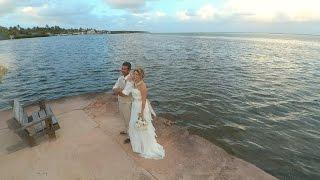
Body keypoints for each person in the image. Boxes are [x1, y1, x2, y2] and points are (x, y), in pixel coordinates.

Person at [128, 68, 165, 159]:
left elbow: (144, 101)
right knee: (134, 124)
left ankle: (145, 146)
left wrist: (141, 112)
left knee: (142, 126)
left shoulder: (143, 86)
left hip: (141, 107)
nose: (135, 76)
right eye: (134, 74)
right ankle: (138, 145)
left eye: (137, 74)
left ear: (141, 76)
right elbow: (128, 79)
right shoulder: (134, 83)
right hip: (134, 106)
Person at [113, 62, 134, 144]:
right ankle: (126, 130)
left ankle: (130, 136)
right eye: (122, 68)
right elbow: (114, 87)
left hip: (127, 103)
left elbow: (126, 94)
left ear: (129, 70)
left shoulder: (131, 80)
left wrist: (117, 91)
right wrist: (118, 91)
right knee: (123, 117)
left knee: (128, 119)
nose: (122, 70)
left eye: (124, 69)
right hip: (120, 101)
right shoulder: (120, 78)